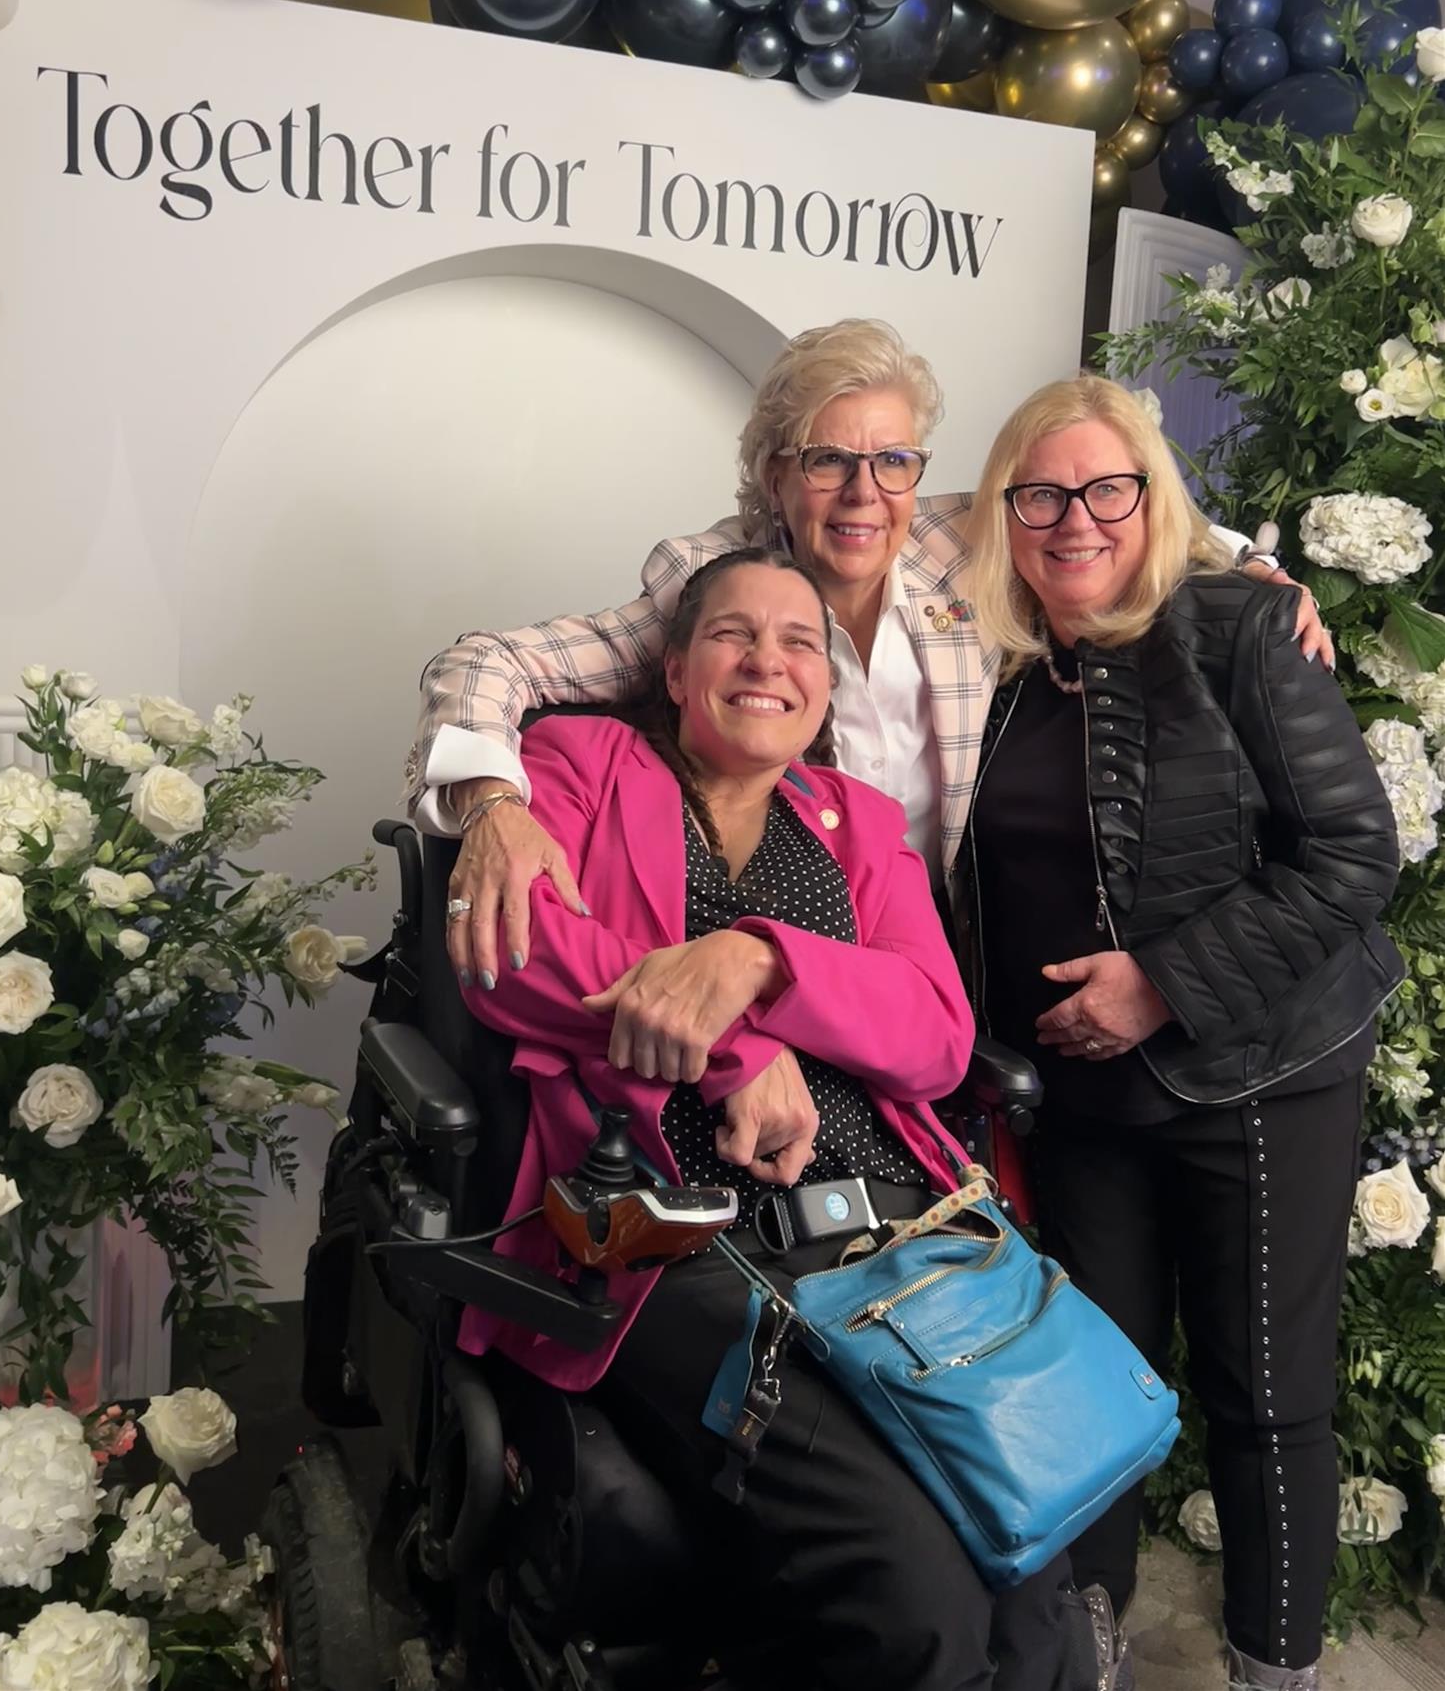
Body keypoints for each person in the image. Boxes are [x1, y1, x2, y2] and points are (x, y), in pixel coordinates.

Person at [461, 546, 1113, 1691]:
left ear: (823, 686)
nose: (768, 660)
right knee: (917, 1597)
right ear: (674, 672)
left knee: (1033, 1584)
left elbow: (936, 1031)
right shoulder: (581, 764)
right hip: (681, 1239)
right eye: (733, 635)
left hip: (897, 1232)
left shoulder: (857, 820)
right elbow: (516, 955)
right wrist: (735, 1053)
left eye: (799, 641)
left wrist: (759, 960)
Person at [405, 320, 1327, 988]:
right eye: (826, 461)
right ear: (775, 476)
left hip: (951, 954)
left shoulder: (956, 544)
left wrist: (1253, 570)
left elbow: (1109, 515)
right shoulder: (715, 586)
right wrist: (493, 806)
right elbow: (483, 663)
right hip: (773, 943)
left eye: (893, 461)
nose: (863, 493)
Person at [960, 378, 1403, 1691]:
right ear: (1004, 514)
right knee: (1090, 1402)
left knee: (1265, 1398)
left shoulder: (1242, 630)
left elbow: (1352, 853)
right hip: (1082, 1104)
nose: (1075, 519)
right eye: (1041, 494)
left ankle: (1276, 1673)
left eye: (1110, 488)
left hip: (1260, 1076)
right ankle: (1081, 1662)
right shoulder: (1000, 672)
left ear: (1157, 501)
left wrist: (1160, 985)